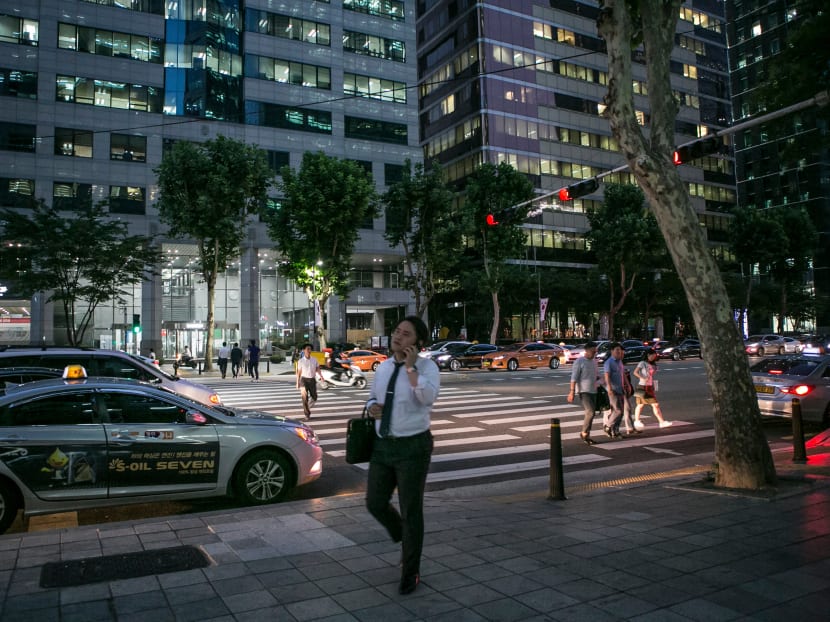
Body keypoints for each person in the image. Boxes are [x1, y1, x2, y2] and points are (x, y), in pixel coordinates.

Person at [365, 316, 439, 596]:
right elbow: (372, 397)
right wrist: (372, 407)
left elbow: (427, 399)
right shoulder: (383, 368)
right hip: (383, 445)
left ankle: (411, 571)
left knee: (411, 510)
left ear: (417, 342)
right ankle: (403, 537)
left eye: (406, 334)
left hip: (413, 448)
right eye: (396, 331)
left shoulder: (427, 367)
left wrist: (411, 370)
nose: (398, 336)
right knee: (374, 501)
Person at [567, 341, 600, 445]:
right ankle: (584, 433)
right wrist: (572, 392)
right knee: (590, 412)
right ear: (586, 350)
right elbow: (574, 377)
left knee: (592, 413)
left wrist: (602, 382)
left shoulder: (594, 361)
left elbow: (596, 375)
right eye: (592, 351)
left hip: (594, 390)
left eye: (595, 351)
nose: (594, 353)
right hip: (583, 391)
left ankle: (587, 434)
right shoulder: (579, 361)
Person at [633, 349, 672, 429]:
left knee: (652, 405)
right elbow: (635, 372)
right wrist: (642, 377)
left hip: (649, 386)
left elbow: (651, 375)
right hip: (642, 386)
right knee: (641, 405)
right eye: (652, 356)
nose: (654, 358)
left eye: (655, 356)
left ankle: (661, 422)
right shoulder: (642, 363)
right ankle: (637, 421)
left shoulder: (654, 365)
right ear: (648, 355)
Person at [603, 342, 630, 438]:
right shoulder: (609, 362)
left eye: (620, 350)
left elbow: (623, 374)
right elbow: (607, 376)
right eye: (617, 350)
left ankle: (616, 430)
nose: (619, 352)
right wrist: (609, 387)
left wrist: (628, 385)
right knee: (617, 410)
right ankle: (608, 425)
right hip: (613, 390)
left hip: (620, 389)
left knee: (621, 411)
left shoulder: (619, 361)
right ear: (612, 351)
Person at [296, 343, 322, 418]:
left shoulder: (314, 359)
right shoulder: (300, 361)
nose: (309, 350)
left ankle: (307, 407)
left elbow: (318, 369)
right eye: (307, 349)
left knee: (314, 397)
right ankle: (307, 414)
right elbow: (299, 373)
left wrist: (321, 376)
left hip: (312, 380)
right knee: (305, 397)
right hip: (303, 380)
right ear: (304, 350)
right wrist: (297, 382)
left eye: (310, 349)